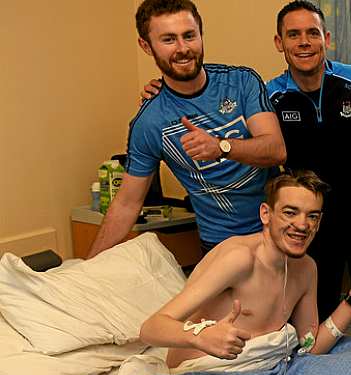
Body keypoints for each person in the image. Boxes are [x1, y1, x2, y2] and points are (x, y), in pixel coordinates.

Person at [87, 0, 286, 259]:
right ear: (146, 46)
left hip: (277, 234)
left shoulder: (241, 81)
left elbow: (276, 150)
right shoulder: (149, 122)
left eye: (189, 36)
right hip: (221, 247)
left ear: (201, 36)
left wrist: (221, 147)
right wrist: (84, 268)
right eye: (169, 39)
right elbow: (126, 204)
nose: (183, 49)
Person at [139, 170, 351, 370]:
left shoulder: (306, 268)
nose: (302, 225)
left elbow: (310, 348)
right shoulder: (239, 259)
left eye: (312, 216)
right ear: (266, 214)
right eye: (290, 212)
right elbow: (151, 329)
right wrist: (200, 336)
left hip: (262, 373)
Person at [266, 1, 351, 350]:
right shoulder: (270, 96)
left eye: (312, 33)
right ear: (279, 43)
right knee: (317, 314)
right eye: (293, 34)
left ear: (326, 38)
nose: (304, 42)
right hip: (307, 225)